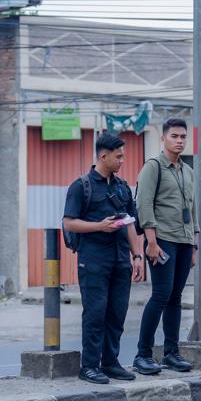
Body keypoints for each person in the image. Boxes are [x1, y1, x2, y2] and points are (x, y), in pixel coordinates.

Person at [62, 132, 146, 384]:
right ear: (103, 156)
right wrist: (99, 226)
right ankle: (89, 366)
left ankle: (110, 363)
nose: (122, 160)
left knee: (117, 314)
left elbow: (129, 223)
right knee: (95, 314)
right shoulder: (81, 186)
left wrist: (137, 255)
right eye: (118, 156)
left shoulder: (122, 187)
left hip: (120, 259)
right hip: (93, 260)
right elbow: (69, 223)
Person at [132, 118, 199, 375]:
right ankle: (143, 355)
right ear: (163, 139)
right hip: (162, 241)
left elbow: (191, 209)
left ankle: (171, 353)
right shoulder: (153, 167)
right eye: (174, 136)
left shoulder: (187, 171)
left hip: (183, 241)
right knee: (161, 295)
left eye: (183, 136)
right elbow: (144, 204)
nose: (179, 140)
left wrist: (194, 245)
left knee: (176, 297)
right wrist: (150, 241)